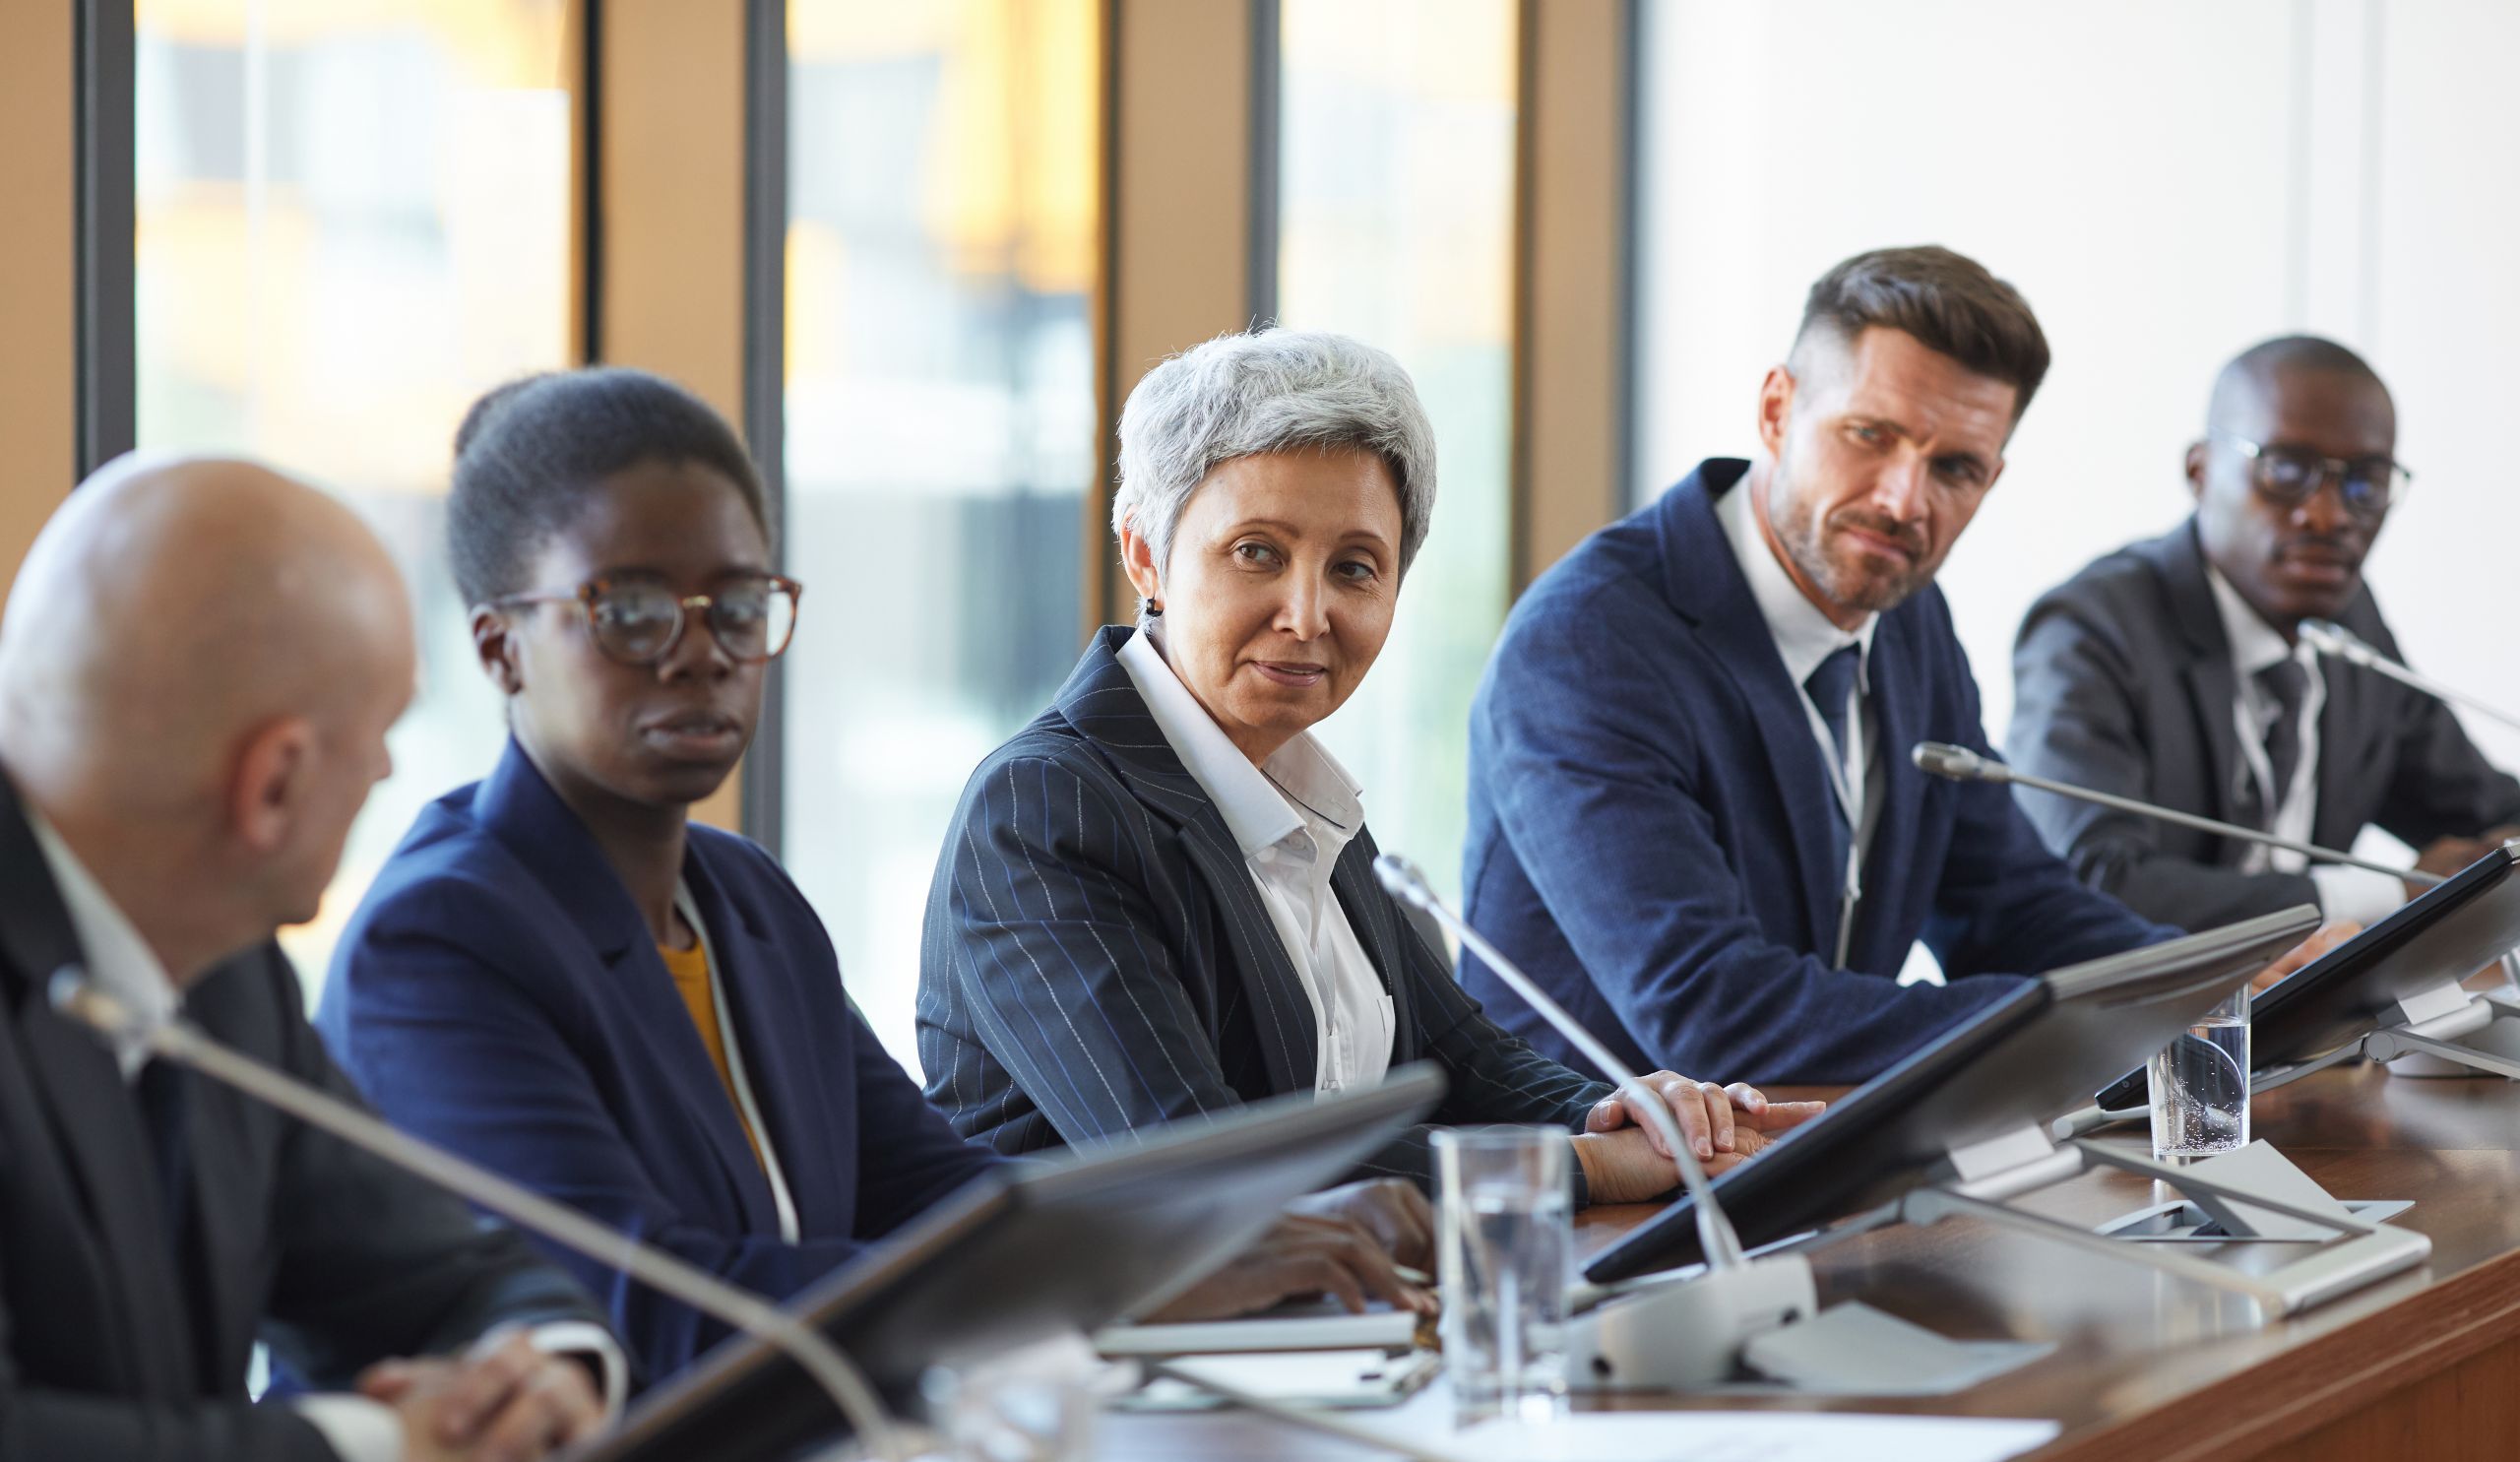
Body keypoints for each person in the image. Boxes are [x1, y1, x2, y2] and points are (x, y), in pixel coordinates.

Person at [319, 368, 1438, 1391]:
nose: (700, 650)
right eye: (632, 609)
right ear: (499, 647)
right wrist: (1131, 1280)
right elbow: (648, 1311)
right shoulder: (441, 939)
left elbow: (937, 1196)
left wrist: (1203, 1240)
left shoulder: (745, 902)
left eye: (740, 606)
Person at [919, 329, 1822, 1208]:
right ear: (1145, 554)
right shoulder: (1044, 807)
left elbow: (1462, 1056)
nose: (1307, 615)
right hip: (1106, 1343)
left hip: (1337, 1328)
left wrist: (1632, 1112)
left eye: (1355, 568)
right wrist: (1584, 1168)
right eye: (1257, 553)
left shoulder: (1298, 789)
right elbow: (1197, 1157)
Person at [1459, 247, 2352, 1087]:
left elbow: (2007, 902)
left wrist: (2199, 980)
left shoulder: (1907, 611)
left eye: (1954, 467)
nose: (1903, 500)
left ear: (1992, 480)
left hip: (1817, 1161)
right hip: (1606, 1207)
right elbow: (1713, 1007)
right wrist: (2107, 1016)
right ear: (1776, 410)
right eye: (1869, 434)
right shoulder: (1586, 642)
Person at [0, 456, 613, 1462]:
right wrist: (376, 1445)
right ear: (274, 786)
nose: (383, 772)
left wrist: (538, 1368)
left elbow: (440, 1270)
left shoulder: (230, 972)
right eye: (378, 738)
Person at [2009, 336, 2520, 929]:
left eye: (2366, 483)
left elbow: (2488, 815)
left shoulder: (2349, 624)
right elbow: (2092, 880)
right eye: (2285, 470)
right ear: (2200, 472)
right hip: (2160, 1019)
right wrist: (2385, 896)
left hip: (2313, 1015)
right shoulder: (2094, 626)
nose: (2329, 517)